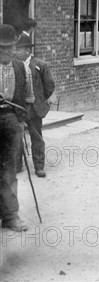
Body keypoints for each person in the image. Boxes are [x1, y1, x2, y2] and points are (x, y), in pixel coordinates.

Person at [0, 24, 35, 231]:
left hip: (12, 121)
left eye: (9, 47)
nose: (5, 51)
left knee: (9, 170)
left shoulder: (23, 68)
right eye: (1, 47)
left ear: (15, 46)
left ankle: (10, 215)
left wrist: (21, 121)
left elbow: (29, 98)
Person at [13, 34, 55, 177]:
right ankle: (17, 165)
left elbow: (49, 86)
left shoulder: (40, 65)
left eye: (18, 49)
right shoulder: (14, 65)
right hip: (18, 108)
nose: (16, 52)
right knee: (17, 136)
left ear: (27, 51)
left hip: (34, 108)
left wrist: (39, 100)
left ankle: (39, 166)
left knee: (36, 136)